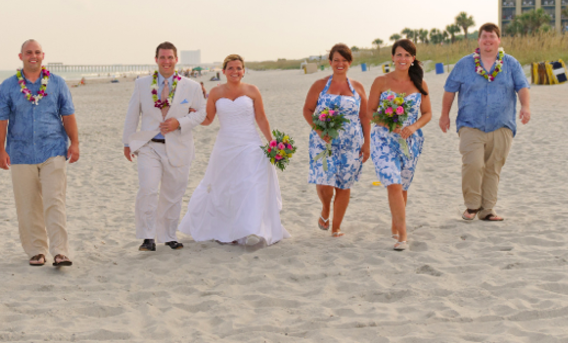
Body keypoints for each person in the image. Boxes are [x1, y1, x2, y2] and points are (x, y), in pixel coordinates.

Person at [179, 55, 290, 246]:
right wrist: (191, 113)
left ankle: (252, 229)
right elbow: (208, 120)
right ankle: (229, 228)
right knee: (226, 187)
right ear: (223, 71)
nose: (235, 72)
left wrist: (272, 143)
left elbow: (261, 119)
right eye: (230, 68)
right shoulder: (215, 92)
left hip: (250, 144)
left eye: (239, 68)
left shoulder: (252, 90)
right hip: (225, 145)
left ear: (243, 70)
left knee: (251, 184)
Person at [0, 39, 79, 267]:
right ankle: (37, 251)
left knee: (54, 200)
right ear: (20, 56)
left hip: (53, 150)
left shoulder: (57, 84)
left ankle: (60, 251)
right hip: (20, 153)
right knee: (28, 204)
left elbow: (68, 116)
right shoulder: (8, 86)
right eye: (29, 52)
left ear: (43, 56)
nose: (34, 56)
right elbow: (0, 121)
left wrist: (75, 143)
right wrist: (0, 151)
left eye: (37, 52)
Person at [440, 23, 531, 222]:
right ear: (479, 40)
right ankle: (472, 206)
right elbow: (450, 90)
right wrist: (444, 115)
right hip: (470, 123)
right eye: (484, 37)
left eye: (492, 37)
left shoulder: (511, 63)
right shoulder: (464, 64)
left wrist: (525, 107)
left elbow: (522, 86)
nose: (488, 40)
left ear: (498, 40)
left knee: (493, 167)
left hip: (502, 124)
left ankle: (487, 209)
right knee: (473, 164)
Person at [123, 42, 206, 252]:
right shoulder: (142, 84)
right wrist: (127, 142)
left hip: (178, 146)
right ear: (156, 59)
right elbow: (133, 113)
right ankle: (147, 237)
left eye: (170, 57)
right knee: (148, 190)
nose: (166, 61)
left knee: (173, 193)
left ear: (176, 60)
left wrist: (180, 122)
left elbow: (201, 113)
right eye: (162, 57)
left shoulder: (191, 86)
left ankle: (169, 235)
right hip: (149, 146)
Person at [368, 39, 432, 251]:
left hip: (409, 140)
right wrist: (388, 122)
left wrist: (413, 127)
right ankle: (403, 236)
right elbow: (370, 112)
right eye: (399, 54)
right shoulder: (381, 81)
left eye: (407, 55)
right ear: (392, 57)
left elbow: (427, 113)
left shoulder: (420, 84)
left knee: (403, 187)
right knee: (393, 183)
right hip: (383, 140)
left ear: (413, 59)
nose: (402, 59)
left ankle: (396, 222)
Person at [303, 43, 370, 238]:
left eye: (344, 60)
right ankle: (325, 209)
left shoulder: (357, 87)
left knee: (344, 185)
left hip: (352, 143)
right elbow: (307, 110)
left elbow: (364, 116)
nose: (340, 64)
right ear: (330, 62)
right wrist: (318, 130)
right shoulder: (320, 85)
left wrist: (367, 143)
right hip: (324, 142)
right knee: (324, 184)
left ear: (350, 63)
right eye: (336, 60)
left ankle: (336, 227)